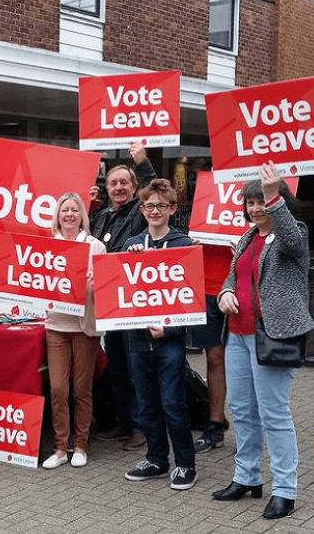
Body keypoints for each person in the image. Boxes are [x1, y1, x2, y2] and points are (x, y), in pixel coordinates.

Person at [214, 162, 314, 520]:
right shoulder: (246, 237)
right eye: (251, 202)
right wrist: (224, 293)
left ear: (278, 201)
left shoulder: (294, 234)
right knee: (242, 410)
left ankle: (285, 490)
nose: (255, 208)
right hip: (238, 336)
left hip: (271, 335)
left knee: (274, 414)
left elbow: (289, 236)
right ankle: (247, 477)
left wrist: (274, 197)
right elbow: (232, 276)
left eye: (262, 201)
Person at [123, 179, 197, 491]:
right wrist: (128, 259)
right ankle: (156, 458)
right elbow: (120, 290)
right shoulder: (133, 244)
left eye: (161, 206)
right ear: (142, 209)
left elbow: (190, 297)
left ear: (172, 209)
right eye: (149, 206)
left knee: (172, 404)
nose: (155, 211)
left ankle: (185, 464)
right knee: (147, 403)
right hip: (138, 340)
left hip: (170, 341)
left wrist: (171, 329)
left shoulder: (185, 245)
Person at [88, 143, 157, 451]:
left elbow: (153, 189)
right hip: (108, 304)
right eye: (113, 183)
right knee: (116, 368)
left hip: (132, 304)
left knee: (135, 369)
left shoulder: (140, 213)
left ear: (133, 188)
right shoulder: (102, 216)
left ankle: (142, 428)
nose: (118, 188)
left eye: (124, 183)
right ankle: (123, 423)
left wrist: (142, 163)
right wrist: (87, 207)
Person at [41, 193, 106, 470]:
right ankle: (59, 447)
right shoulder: (46, 246)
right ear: (57, 215)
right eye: (64, 210)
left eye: (74, 210)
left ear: (82, 216)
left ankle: (80, 445)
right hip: (56, 325)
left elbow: (106, 288)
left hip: (85, 327)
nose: (69, 214)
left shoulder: (96, 247)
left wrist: (95, 281)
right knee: (57, 388)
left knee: (81, 389)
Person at [189, 244, 233, 452]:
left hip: (239, 287)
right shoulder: (200, 211)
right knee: (214, 357)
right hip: (205, 286)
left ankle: (249, 430)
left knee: (245, 361)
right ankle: (215, 425)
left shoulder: (253, 211)